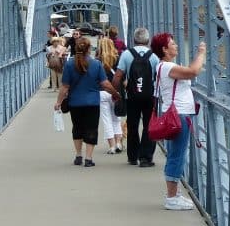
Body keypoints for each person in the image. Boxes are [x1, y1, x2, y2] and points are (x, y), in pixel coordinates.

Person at [152, 32, 206, 211]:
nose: (176, 46)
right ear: (164, 49)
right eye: (172, 44)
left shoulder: (164, 66)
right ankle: (171, 197)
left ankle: (174, 194)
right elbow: (193, 72)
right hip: (179, 115)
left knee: (177, 154)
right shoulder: (167, 67)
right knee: (177, 155)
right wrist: (201, 53)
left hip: (178, 114)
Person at [54, 37, 121, 167]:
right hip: (92, 103)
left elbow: (65, 87)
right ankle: (88, 159)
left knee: (77, 128)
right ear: (89, 49)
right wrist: (115, 93)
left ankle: (78, 155)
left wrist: (58, 101)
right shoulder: (96, 64)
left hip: (75, 103)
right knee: (91, 129)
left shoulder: (69, 64)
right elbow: (105, 83)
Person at [114, 27, 160, 167]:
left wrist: (116, 93)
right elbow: (159, 78)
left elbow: (118, 76)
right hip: (149, 96)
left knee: (133, 125)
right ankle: (145, 158)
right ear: (148, 40)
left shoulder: (127, 54)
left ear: (134, 40)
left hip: (132, 96)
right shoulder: (154, 56)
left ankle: (133, 156)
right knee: (148, 126)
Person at [96, 37, 124, 154]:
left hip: (102, 92)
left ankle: (111, 146)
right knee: (116, 118)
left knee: (107, 120)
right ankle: (118, 143)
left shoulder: (97, 61)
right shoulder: (118, 59)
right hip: (116, 92)